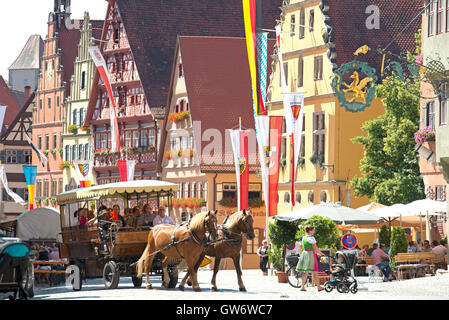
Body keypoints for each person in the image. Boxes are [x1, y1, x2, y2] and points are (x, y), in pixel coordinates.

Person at [295, 225, 325, 292]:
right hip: (310, 254)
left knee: (305, 272)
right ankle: (318, 287)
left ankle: (302, 286)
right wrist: (321, 253)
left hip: (305, 253)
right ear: (310, 231)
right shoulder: (312, 238)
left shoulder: (304, 237)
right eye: (313, 230)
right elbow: (315, 247)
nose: (314, 231)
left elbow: (301, 246)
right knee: (315, 271)